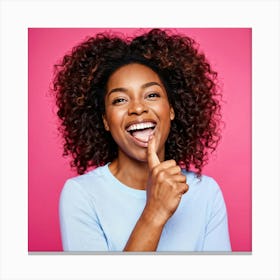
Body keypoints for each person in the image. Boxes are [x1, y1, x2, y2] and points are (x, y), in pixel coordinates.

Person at [53, 28, 231, 252]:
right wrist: (154, 213)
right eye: (120, 99)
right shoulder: (81, 195)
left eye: (152, 95)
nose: (137, 108)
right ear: (106, 121)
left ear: (172, 110)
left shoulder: (206, 192)